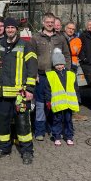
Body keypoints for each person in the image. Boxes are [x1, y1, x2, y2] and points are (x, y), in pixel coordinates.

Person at [0, 17, 37, 165]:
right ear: (4, 30)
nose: (10, 30)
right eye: (7, 27)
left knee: (23, 123)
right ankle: (3, 147)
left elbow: (32, 68)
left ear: (16, 29)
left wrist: (30, 89)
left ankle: (27, 151)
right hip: (3, 94)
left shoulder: (26, 45)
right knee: (2, 122)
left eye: (12, 27)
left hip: (20, 93)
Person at [31, 13, 70, 141]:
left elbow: (66, 55)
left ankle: (55, 131)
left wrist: (66, 71)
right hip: (41, 76)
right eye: (47, 22)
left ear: (54, 23)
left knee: (56, 104)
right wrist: (34, 73)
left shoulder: (60, 38)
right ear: (43, 23)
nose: (49, 24)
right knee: (41, 105)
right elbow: (31, 57)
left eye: (52, 22)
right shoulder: (35, 38)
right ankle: (40, 131)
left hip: (56, 75)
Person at [44, 48, 79, 146]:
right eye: (57, 64)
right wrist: (48, 100)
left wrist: (78, 98)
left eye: (61, 64)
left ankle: (69, 136)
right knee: (57, 120)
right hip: (57, 102)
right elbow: (47, 89)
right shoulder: (50, 75)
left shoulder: (71, 74)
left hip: (68, 102)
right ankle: (57, 136)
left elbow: (75, 88)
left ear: (64, 64)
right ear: (54, 65)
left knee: (68, 120)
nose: (59, 66)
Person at [64, 22, 87, 121]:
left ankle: (74, 112)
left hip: (72, 66)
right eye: (69, 28)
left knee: (73, 88)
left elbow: (74, 51)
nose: (71, 30)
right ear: (65, 28)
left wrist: (64, 48)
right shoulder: (60, 38)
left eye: (73, 29)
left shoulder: (77, 40)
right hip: (61, 66)